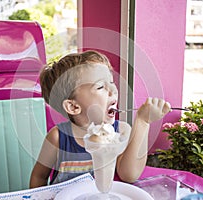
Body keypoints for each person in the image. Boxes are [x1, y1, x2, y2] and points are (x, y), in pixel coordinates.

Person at [29, 50, 171, 188]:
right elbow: (39, 176)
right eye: (101, 86)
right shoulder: (57, 137)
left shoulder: (121, 131)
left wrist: (143, 122)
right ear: (73, 107)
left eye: (111, 82)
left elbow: (129, 175)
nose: (113, 90)